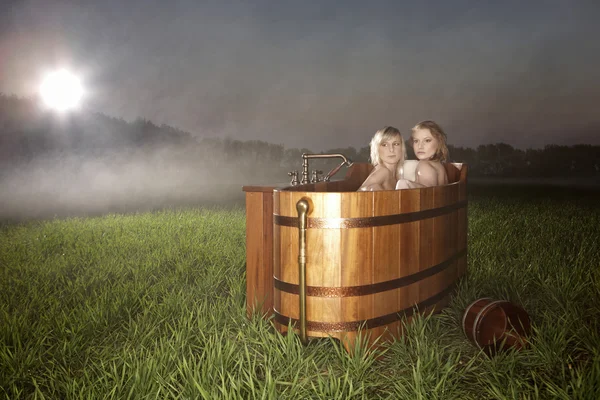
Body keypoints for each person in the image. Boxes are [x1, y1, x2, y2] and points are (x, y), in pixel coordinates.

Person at [395, 120, 449, 189]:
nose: (420, 146)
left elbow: (429, 194)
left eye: (427, 140)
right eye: (416, 141)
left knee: (402, 183)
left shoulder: (424, 165)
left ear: (439, 142)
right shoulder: (438, 165)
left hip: (429, 199)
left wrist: (405, 184)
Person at [358, 126, 407, 191]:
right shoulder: (383, 172)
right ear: (377, 149)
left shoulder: (398, 172)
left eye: (396, 144)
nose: (391, 149)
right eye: (385, 145)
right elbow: (358, 194)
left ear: (402, 147)